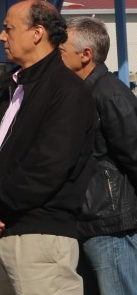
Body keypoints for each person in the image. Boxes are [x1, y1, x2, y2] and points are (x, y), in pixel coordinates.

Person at [0, 0, 95, 294]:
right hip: (1, 232)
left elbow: (46, 167)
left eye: (8, 29)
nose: (1, 36)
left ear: (37, 33)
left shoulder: (67, 92)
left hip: (40, 238)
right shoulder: (15, 88)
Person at [61, 17, 137, 293]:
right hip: (86, 219)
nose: (54, 57)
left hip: (110, 223)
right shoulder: (78, 92)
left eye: (61, 51)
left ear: (86, 55)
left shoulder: (110, 94)